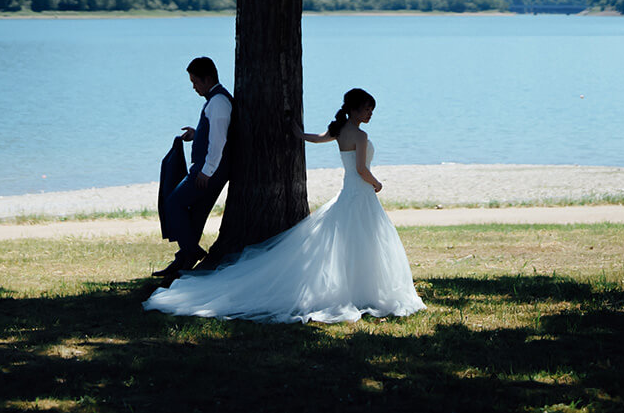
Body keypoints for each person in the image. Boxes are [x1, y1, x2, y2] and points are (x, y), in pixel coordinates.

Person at [143, 88, 425, 323]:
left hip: (349, 194)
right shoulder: (360, 136)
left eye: (371, 110)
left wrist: (297, 133)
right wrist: (377, 183)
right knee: (365, 242)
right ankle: (363, 289)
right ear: (353, 109)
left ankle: (357, 289)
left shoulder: (340, 130)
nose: (370, 114)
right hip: (360, 193)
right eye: (367, 109)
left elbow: (316, 139)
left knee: (353, 242)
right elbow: (362, 168)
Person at [152, 56, 233, 278]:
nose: (194, 87)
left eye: (195, 82)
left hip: (209, 170)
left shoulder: (218, 102)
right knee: (195, 216)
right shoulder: (216, 100)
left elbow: (219, 140)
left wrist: (206, 171)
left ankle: (192, 251)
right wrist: (197, 135)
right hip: (211, 168)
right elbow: (215, 135)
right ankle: (183, 261)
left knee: (174, 204)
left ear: (208, 79)